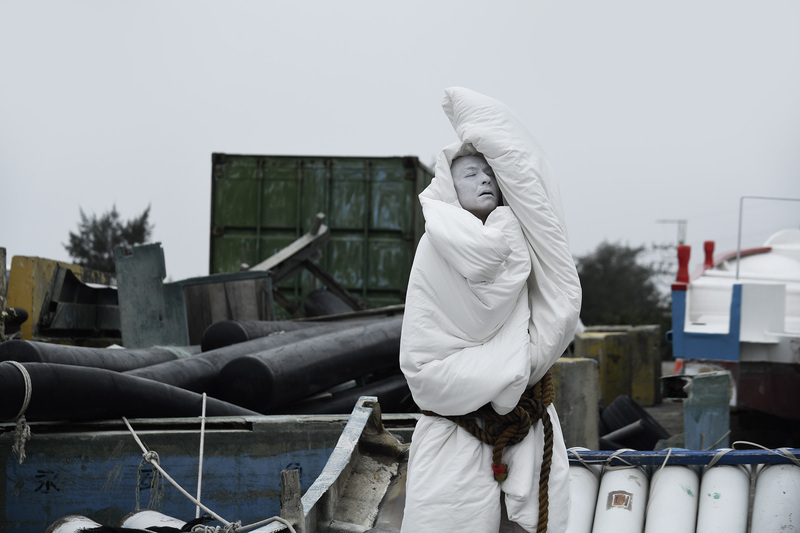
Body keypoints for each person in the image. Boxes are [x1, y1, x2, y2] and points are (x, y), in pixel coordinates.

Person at [399, 88, 581, 533]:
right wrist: (508, 365)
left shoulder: (521, 239)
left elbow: (537, 194)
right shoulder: (433, 248)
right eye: (469, 174)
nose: (483, 181)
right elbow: (427, 344)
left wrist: (504, 365)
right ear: (448, 185)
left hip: (520, 414)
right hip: (458, 416)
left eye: (488, 174)